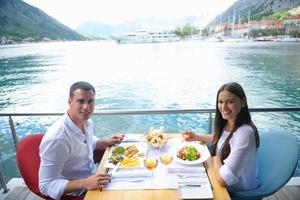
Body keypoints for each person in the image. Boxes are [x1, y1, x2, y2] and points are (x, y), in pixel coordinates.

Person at [39, 81, 124, 199]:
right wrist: (85, 183)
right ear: (70, 101)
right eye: (81, 101)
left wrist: (106, 142)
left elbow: (88, 143)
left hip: (97, 174)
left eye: (90, 101)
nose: (86, 107)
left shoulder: (87, 122)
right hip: (79, 190)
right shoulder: (57, 139)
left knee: (133, 174)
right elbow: (46, 186)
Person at [183, 82, 260, 191]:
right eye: (220, 102)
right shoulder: (229, 123)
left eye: (230, 102)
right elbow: (223, 139)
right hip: (219, 179)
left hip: (236, 191)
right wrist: (197, 137)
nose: (223, 107)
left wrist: (215, 159)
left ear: (243, 102)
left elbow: (223, 179)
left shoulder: (245, 133)